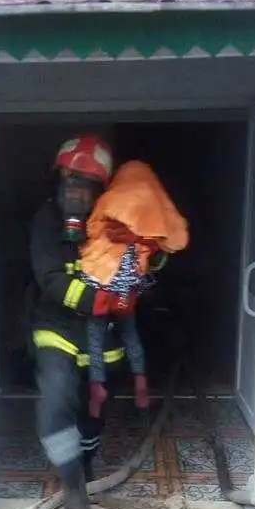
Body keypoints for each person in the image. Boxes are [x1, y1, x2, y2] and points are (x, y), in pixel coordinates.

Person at [29, 136, 168, 509]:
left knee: (94, 409)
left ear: (101, 191)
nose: (73, 191)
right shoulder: (46, 220)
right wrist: (101, 300)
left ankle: (85, 463)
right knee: (56, 399)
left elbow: (151, 266)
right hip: (57, 328)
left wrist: (143, 244)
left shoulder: (117, 219)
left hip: (104, 335)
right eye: (68, 180)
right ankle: (73, 485)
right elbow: (50, 278)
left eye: (84, 184)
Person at [79, 160, 189, 419]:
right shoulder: (154, 205)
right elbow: (175, 240)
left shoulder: (109, 199)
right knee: (130, 333)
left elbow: (91, 228)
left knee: (94, 335)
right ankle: (141, 384)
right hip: (127, 288)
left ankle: (97, 386)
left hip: (102, 283)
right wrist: (139, 238)